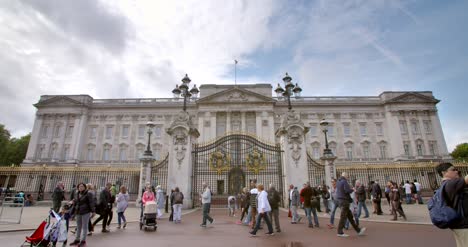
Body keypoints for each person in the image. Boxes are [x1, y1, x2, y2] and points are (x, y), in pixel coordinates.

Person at [435, 163, 468, 247]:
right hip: (464, 225)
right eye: (453, 170)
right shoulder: (450, 184)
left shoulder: (446, 185)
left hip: (460, 225)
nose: (457, 171)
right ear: (444, 173)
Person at [336, 172, 366, 238]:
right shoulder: (344, 181)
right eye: (347, 176)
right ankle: (339, 232)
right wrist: (352, 189)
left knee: (350, 217)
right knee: (343, 217)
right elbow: (347, 190)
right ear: (345, 176)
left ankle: (358, 230)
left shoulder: (338, 181)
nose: (348, 177)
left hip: (340, 200)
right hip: (344, 201)